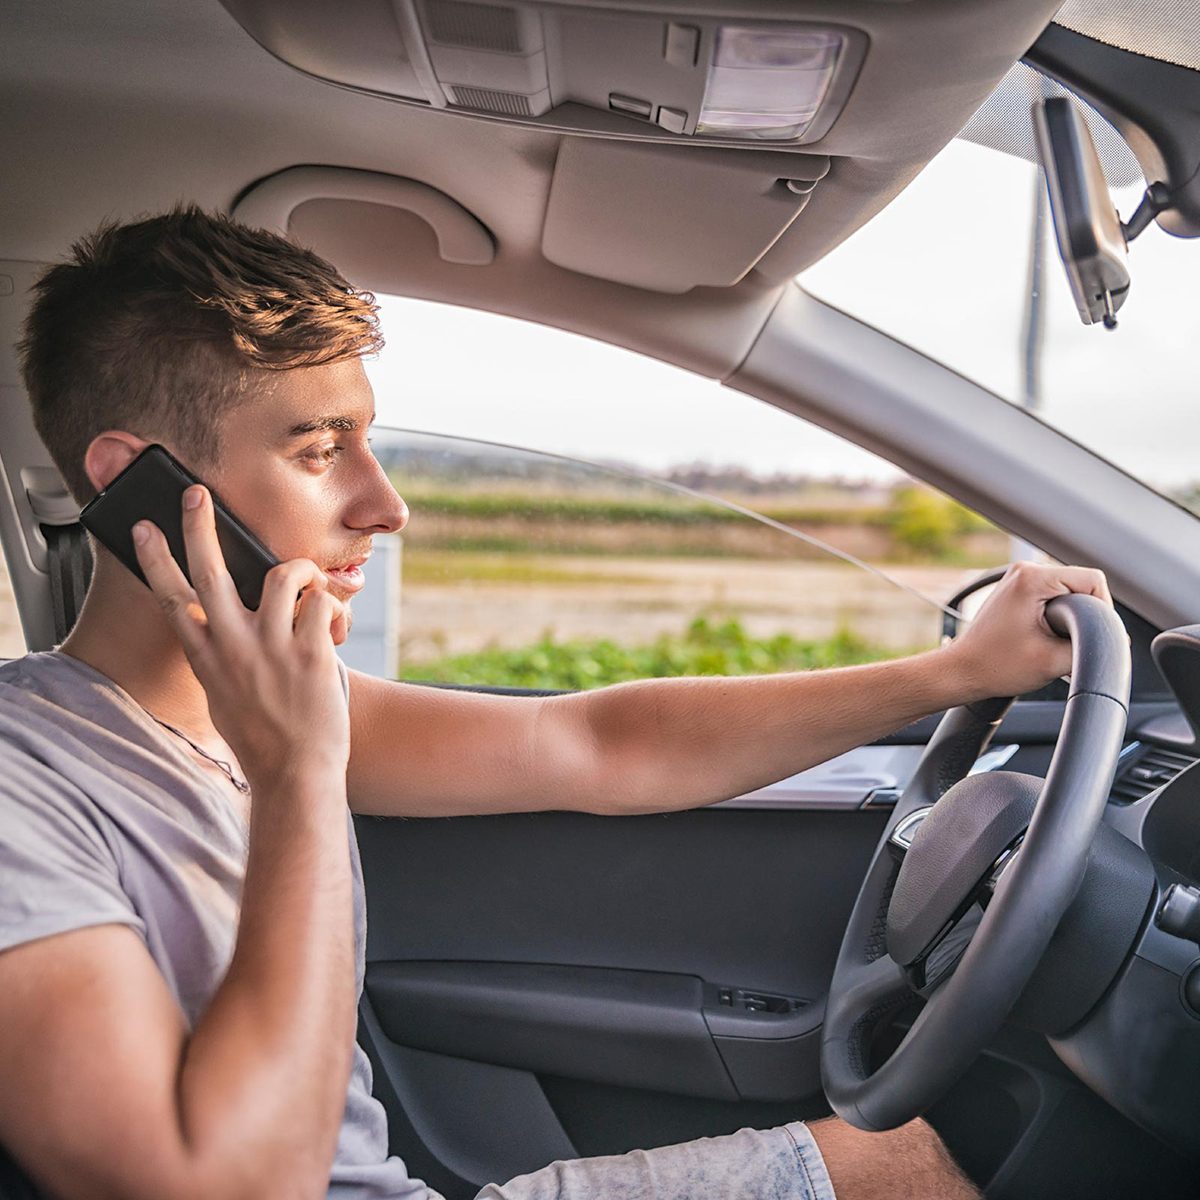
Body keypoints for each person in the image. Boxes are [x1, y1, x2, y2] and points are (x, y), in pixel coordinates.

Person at [0, 208, 1110, 1200]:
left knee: (901, 1166)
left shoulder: (296, 706)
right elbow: (213, 1184)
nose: (385, 506)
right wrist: (296, 773)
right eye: (320, 451)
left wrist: (953, 674)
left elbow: (595, 744)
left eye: (367, 442)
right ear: (137, 484)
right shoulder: (26, 779)